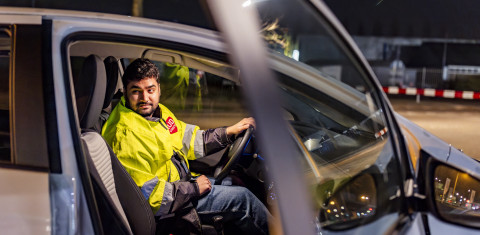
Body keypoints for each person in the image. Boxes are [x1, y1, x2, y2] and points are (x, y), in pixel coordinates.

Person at [102, 58, 270, 234]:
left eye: (150, 90)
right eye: (136, 91)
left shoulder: (158, 113)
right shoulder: (125, 134)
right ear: (125, 92)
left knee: (234, 181)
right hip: (172, 208)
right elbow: (147, 196)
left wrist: (228, 132)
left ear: (159, 89)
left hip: (179, 186)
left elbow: (188, 139)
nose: (145, 98)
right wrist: (194, 188)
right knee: (243, 200)